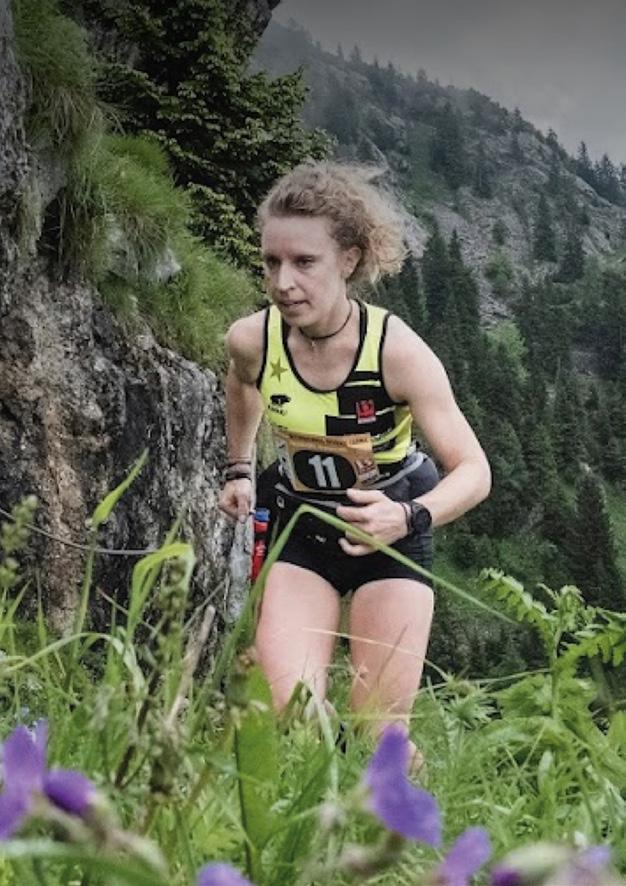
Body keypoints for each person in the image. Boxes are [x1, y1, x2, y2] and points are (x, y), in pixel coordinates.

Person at [218, 162, 491, 761]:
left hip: (389, 537)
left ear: (349, 259)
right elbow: (241, 387)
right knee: (286, 711)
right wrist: (239, 468)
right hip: (303, 526)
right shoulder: (253, 340)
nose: (283, 282)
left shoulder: (396, 352)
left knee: (379, 735)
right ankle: (317, 804)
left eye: (304, 262)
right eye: (271, 262)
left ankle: (396, 806)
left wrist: (409, 516)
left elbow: (474, 471)